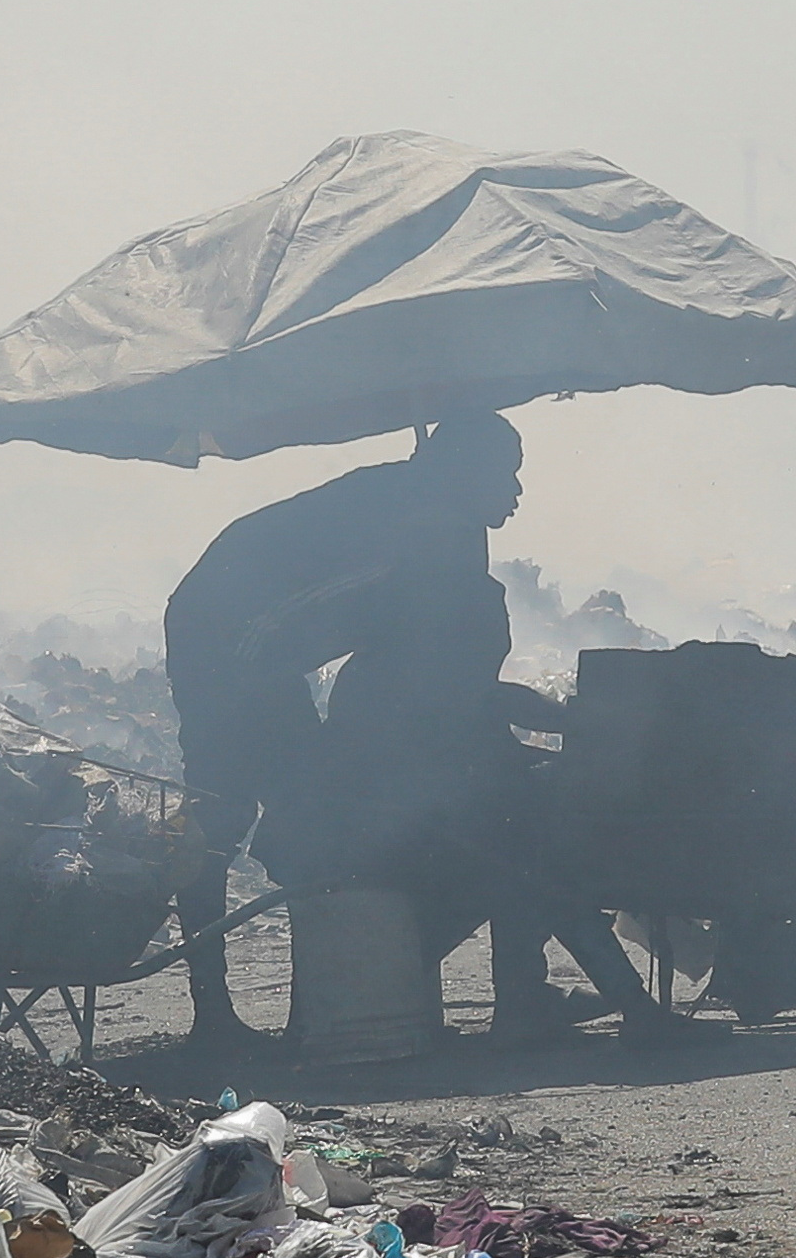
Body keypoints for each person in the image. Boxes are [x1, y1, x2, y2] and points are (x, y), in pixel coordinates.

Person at [160, 411, 526, 1043]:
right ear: (462, 470)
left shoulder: (448, 519)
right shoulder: (403, 523)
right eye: (506, 475)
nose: (517, 493)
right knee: (229, 816)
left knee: (317, 810)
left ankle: (328, 1007)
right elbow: (295, 626)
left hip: (273, 653)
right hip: (224, 639)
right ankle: (216, 1013)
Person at [295, 542, 658, 1037]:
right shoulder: (400, 676)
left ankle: (527, 1003)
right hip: (384, 848)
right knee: (539, 869)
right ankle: (628, 1011)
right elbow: (484, 714)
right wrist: (584, 727)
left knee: (525, 848)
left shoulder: (399, 668)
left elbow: (485, 736)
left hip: (410, 834)